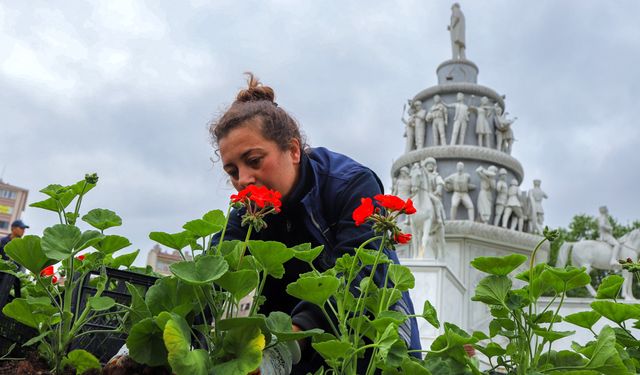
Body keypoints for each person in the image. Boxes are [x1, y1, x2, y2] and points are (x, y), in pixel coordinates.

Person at [209, 74, 421, 374]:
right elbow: (214, 277)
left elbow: (358, 277)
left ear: (294, 151)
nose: (242, 180)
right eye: (232, 170)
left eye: (254, 160)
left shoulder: (351, 183)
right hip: (289, 343)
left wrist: (286, 344)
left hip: (367, 334)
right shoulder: (248, 211)